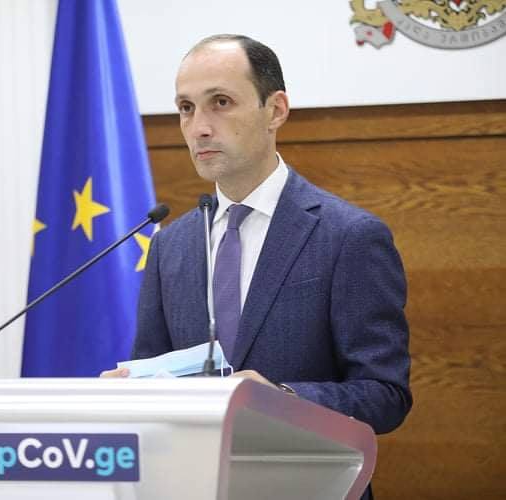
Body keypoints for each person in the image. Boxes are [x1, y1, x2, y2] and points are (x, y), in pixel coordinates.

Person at [103, 34, 411, 498]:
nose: (198, 127)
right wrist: (130, 390)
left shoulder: (349, 236)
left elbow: (385, 395)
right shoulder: (171, 245)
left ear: (276, 110)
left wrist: (278, 400)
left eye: (220, 102)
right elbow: (154, 372)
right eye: (186, 108)